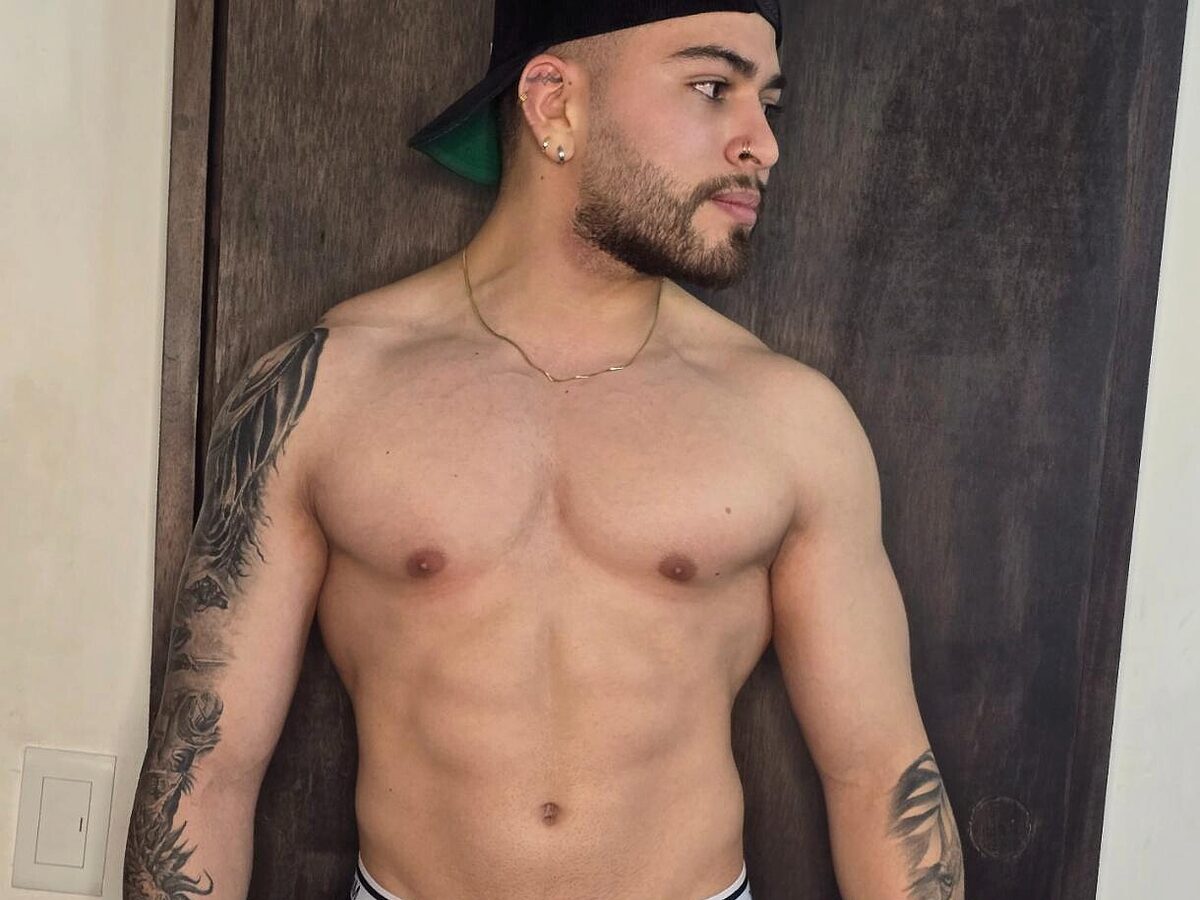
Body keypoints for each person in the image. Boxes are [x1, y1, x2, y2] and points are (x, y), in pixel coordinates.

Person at [124, 1, 965, 897]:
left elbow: (881, 775)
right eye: (713, 87)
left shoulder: (791, 419)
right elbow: (204, 771)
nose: (762, 144)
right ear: (554, 102)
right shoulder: (323, 390)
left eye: (769, 104)